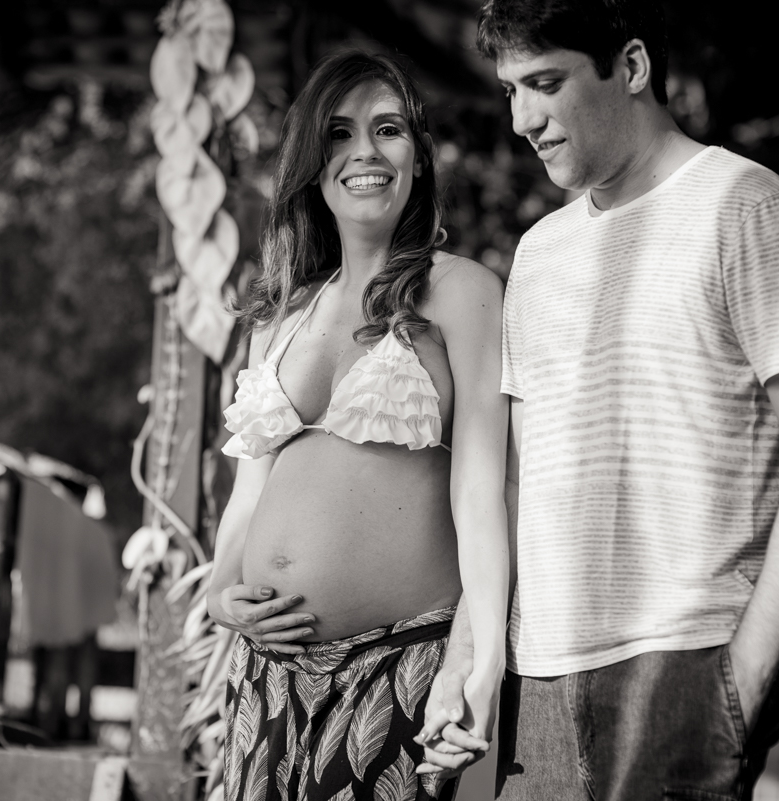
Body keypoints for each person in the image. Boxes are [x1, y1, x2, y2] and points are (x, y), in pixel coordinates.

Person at [417, 1, 779, 799]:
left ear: (631, 67)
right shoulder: (540, 254)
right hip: (539, 674)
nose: (522, 119)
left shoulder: (747, 206)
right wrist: (467, 656)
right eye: (511, 90)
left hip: (686, 662)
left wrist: (744, 676)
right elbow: (519, 485)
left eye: (545, 83)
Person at [207, 50, 510, 801]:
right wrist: (219, 591)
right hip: (266, 675)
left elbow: (487, 492)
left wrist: (476, 659)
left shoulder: (461, 292)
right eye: (339, 134)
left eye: (388, 130)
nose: (364, 152)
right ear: (312, 163)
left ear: (419, 156)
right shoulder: (279, 316)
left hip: (398, 667)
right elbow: (248, 495)